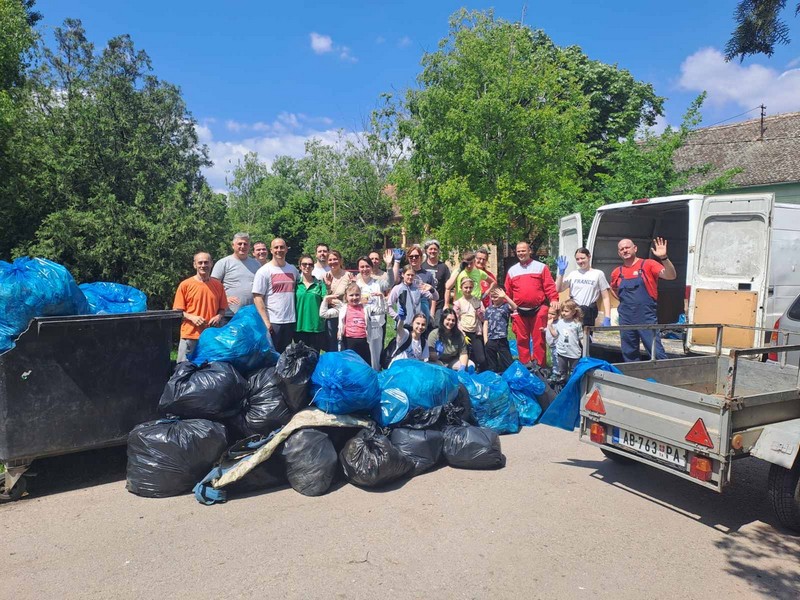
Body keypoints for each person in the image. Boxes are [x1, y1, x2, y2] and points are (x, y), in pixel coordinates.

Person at [610, 237, 676, 362]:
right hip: (626, 317)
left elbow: (671, 276)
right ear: (619, 253)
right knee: (629, 352)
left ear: (635, 248)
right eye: (621, 249)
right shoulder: (616, 272)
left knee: (655, 350)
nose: (625, 250)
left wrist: (664, 258)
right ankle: (632, 378)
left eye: (627, 247)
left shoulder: (648, 264)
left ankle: (665, 375)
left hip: (645, 316)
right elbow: (613, 289)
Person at [504, 241, 559, 367]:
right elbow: (508, 291)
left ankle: (540, 367)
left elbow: (549, 286)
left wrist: (554, 299)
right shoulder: (512, 271)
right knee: (521, 340)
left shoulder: (541, 267)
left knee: (539, 339)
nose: (521, 253)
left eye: (523, 250)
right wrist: (510, 308)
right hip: (519, 311)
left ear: (530, 251)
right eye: (518, 251)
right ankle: (526, 366)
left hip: (538, 309)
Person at [173, 252, 227, 362]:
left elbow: (222, 309)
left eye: (206, 262)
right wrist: (192, 317)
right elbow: (177, 311)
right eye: (200, 263)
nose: (203, 265)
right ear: (195, 265)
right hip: (190, 335)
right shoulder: (185, 285)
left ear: (211, 264)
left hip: (210, 336)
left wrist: (218, 317)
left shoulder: (218, 285)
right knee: (183, 368)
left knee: (208, 371)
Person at [252, 238, 299, 353]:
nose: (279, 250)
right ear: (271, 250)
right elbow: (257, 298)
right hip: (273, 321)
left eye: (282, 247)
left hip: (290, 320)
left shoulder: (292, 269)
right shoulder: (264, 271)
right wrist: (266, 321)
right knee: (272, 354)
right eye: (276, 247)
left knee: (286, 355)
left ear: (286, 249)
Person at [555, 248, 612, 328]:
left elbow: (605, 297)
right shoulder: (573, 274)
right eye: (577, 259)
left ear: (589, 257)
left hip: (589, 312)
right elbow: (558, 289)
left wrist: (607, 317)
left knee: (587, 338)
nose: (580, 261)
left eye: (582, 258)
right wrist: (561, 273)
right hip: (574, 311)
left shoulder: (598, 274)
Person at [211, 232, 261, 321]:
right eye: (240, 244)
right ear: (233, 245)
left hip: (251, 314)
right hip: (229, 314)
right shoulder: (223, 263)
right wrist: (225, 298)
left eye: (245, 244)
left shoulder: (256, 264)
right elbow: (212, 287)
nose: (243, 246)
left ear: (249, 246)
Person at [321, 249, 353, 352]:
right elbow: (324, 297)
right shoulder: (325, 276)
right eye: (330, 260)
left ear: (340, 261)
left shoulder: (348, 276)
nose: (333, 262)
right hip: (332, 313)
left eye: (335, 259)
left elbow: (351, 293)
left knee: (345, 340)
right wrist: (328, 287)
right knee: (332, 341)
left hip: (345, 313)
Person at [294, 254, 326, 352]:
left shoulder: (320, 284)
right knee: (300, 359)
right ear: (300, 266)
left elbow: (326, 300)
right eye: (304, 264)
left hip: (316, 327)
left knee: (314, 358)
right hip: (299, 327)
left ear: (313, 266)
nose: (307, 266)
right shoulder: (295, 284)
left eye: (310, 264)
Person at [454, 278, 486, 371]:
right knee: (466, 356)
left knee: (481, 359)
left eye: (470, 287)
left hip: (475, 332)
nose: (468, 290)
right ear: (461, 288)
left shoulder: (477, 301)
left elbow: (483, 318)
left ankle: (480, 369)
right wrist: (462, 334)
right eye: (466, 287)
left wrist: (478, 310)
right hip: (463, 332)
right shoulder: (458, 303)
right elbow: (456, 320)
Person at [547, 299, 584, 379]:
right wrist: (550, 326)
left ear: (573, 312)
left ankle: (572, 386)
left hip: (574, 353)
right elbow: (555, 335)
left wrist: (585, 348)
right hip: (561, 352)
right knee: (562, 372)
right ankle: (562, 385)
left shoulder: (577, 324)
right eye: (562, 311)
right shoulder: (560, 322)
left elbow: (581, 337)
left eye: (566, 311)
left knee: (574, 372)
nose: (563, 313)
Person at [483, 286, 517, 373]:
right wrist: (485, 340)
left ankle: (509, 374)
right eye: (492, 296)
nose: (494, 299)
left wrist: (505, 296)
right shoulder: (488, 309)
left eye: (496, 296)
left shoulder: (506, 307)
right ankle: (495, 376)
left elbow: (515, 307)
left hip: (501, 339)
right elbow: (486, 324)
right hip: (490, 339)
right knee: (492, 364)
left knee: (508, 363)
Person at [422, 239, 451, 326]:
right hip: (425, 302)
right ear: (426, 251)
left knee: (437, 326)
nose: (433, 251)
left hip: (439, 303)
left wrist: (446, 304)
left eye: (435, 249)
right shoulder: (422, 266)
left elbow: (447, 288)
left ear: (438, 251)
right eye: (430, 249)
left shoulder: (443, 267)